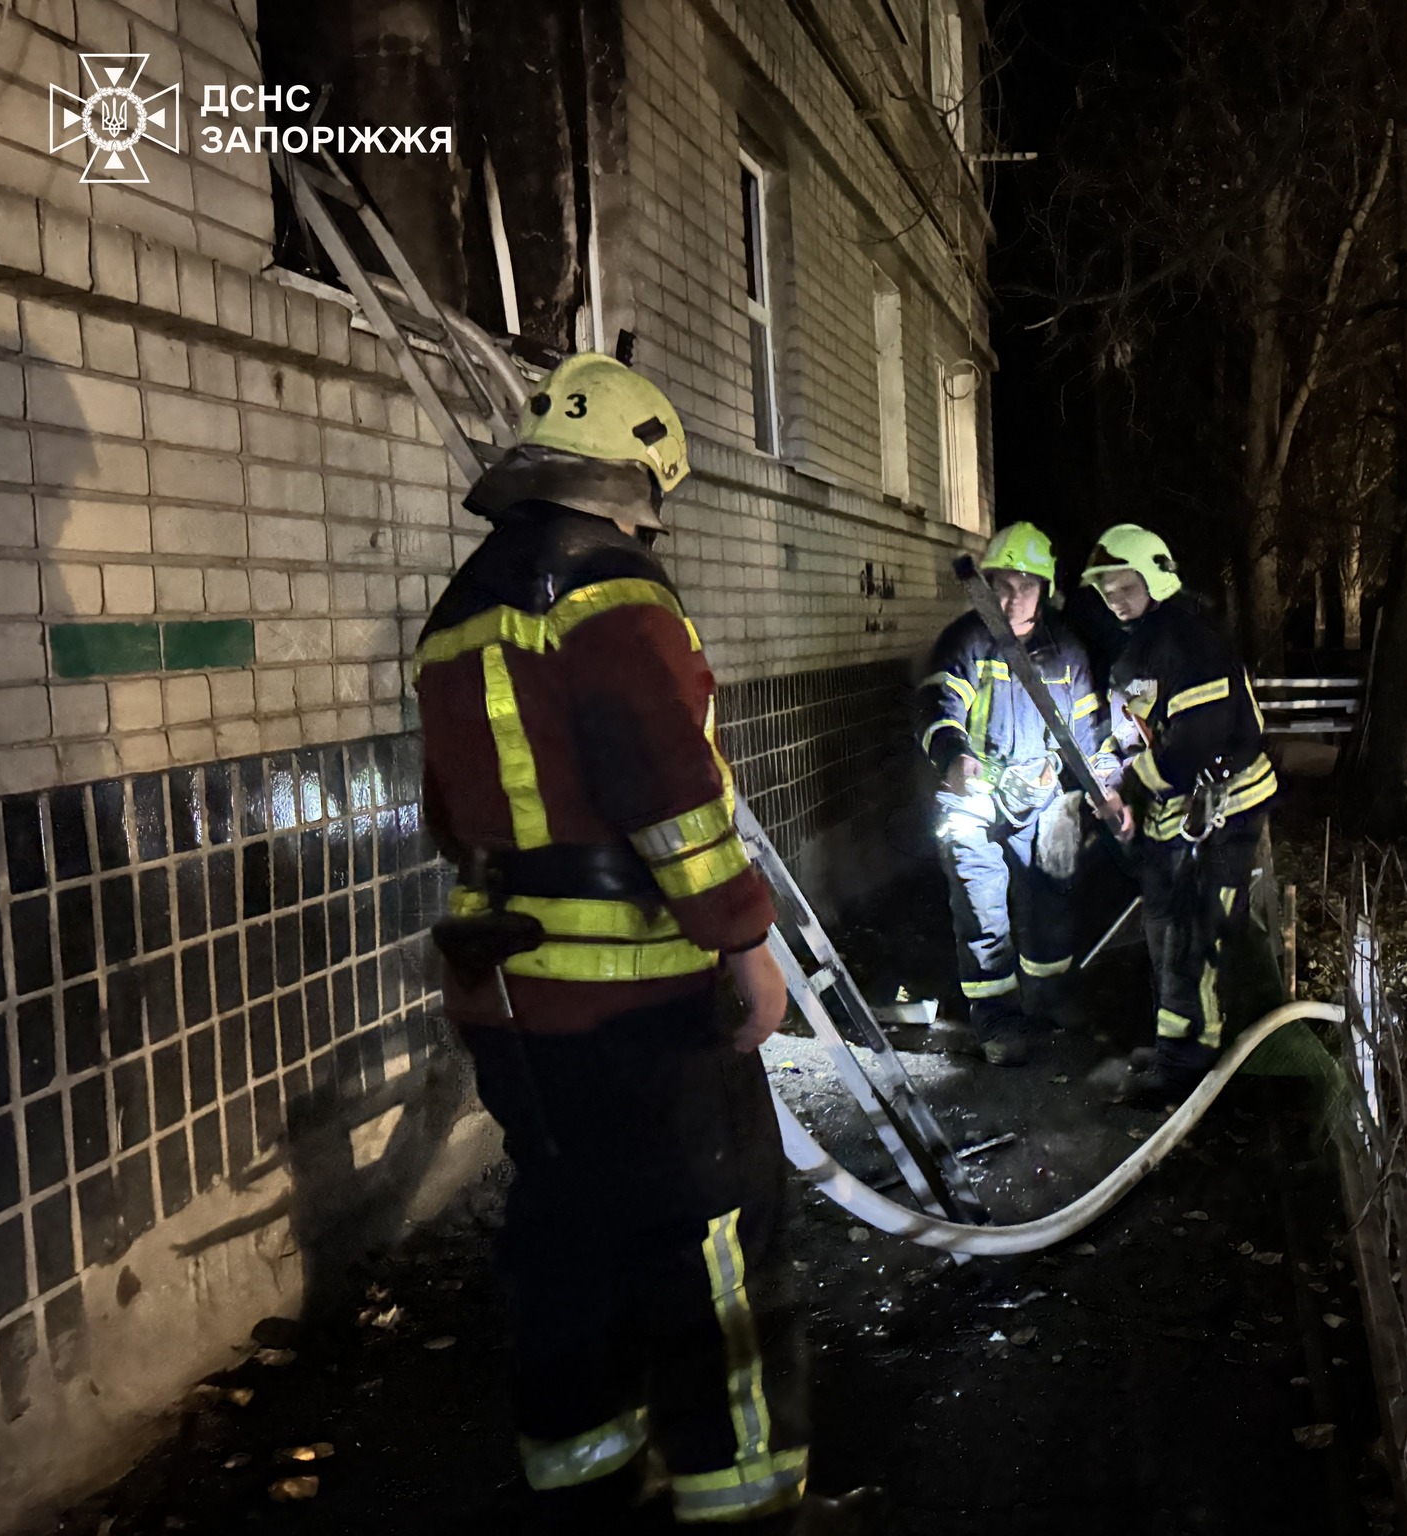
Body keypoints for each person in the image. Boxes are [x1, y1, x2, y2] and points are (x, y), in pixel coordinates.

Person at [413, 351, 877, 1534]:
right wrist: (744, 943)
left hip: (505, 1000)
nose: (653, 525)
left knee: (566, 1233)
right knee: (711, 1238)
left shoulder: (455, 612)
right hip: (635, 1001)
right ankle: (746, 1501)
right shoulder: (616, 596)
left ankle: (584, 1479)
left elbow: (447, 812)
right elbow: (670, 795)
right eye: (653, 502)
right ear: (637, 480)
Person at [1080, 524, 1279, 1110]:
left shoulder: (1190, 642)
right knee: (1166, 931)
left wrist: (1128, 785)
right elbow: (1125, 732)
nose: (1114, 596)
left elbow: (1195, 744)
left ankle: (1191, 1069)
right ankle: (1174, 1046)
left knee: (1195, 939)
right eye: (1106, 588)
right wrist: (1109, 778)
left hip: (1224, 816)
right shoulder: (1136, 646)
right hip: (1178, 821)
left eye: (1124, 583)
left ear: (1155, 579)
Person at [916, 521, 1125, 1066]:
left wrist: (1106, 787)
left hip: (1045, 796)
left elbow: (1091, 735)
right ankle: (997, 1022)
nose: (1010, 598)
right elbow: (939, 710)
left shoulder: (1067, 653)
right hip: (976, 801)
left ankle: (1048, 1000)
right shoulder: (965, 640)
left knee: (1051, 901)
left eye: (1022, 585)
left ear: (1044, 588)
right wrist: (953, 757)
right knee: (984, 915)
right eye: (1000, 584)